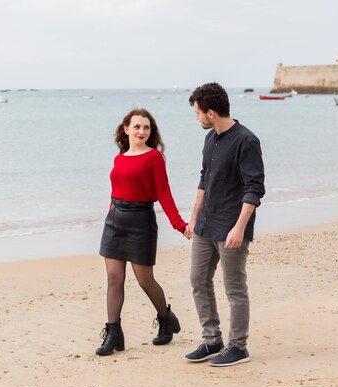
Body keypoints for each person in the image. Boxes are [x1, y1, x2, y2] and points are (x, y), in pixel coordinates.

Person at [184, 82, 265, 367]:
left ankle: (238, 346)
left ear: (211, 111)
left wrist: (240, 227)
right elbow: (204, 180)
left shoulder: (246, 140)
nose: (197, 117)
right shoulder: (210, 139)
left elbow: (254, 189)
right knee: (198, 281)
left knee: (234, 288)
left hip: (232, 227)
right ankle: (212, 339)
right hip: (206, 225)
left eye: (197, 112)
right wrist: (193, 219)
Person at [96, 108, 189, 356]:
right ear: (126, 128)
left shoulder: (154, 158)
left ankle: (165, 318)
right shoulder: (120, 158)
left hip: (140, 221)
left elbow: (164, 193)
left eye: (146, 127)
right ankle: (114, 333)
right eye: (136, 126)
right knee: (114, 279)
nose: (141, 131)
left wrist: (179, 224)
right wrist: (110, 216)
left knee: (145, 280)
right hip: (115, 220)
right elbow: (115, 191)